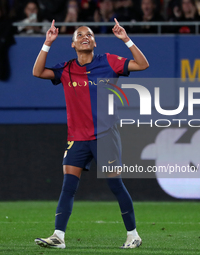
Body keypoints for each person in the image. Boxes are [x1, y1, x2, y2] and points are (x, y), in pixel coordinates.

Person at [32, 19, 149, 249]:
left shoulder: (108, 61)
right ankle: (58, 236)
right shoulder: (66, 69)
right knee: (68, 187)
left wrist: (126, 39)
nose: (85, 37)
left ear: (94, 42)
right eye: (80, 35)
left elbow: (143, 64)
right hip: (77, 138)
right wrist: (47, 43)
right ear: (73, 44)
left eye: (90, 35)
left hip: (105, 135)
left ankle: (133, 234)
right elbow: (37, 72)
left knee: (116, 185)